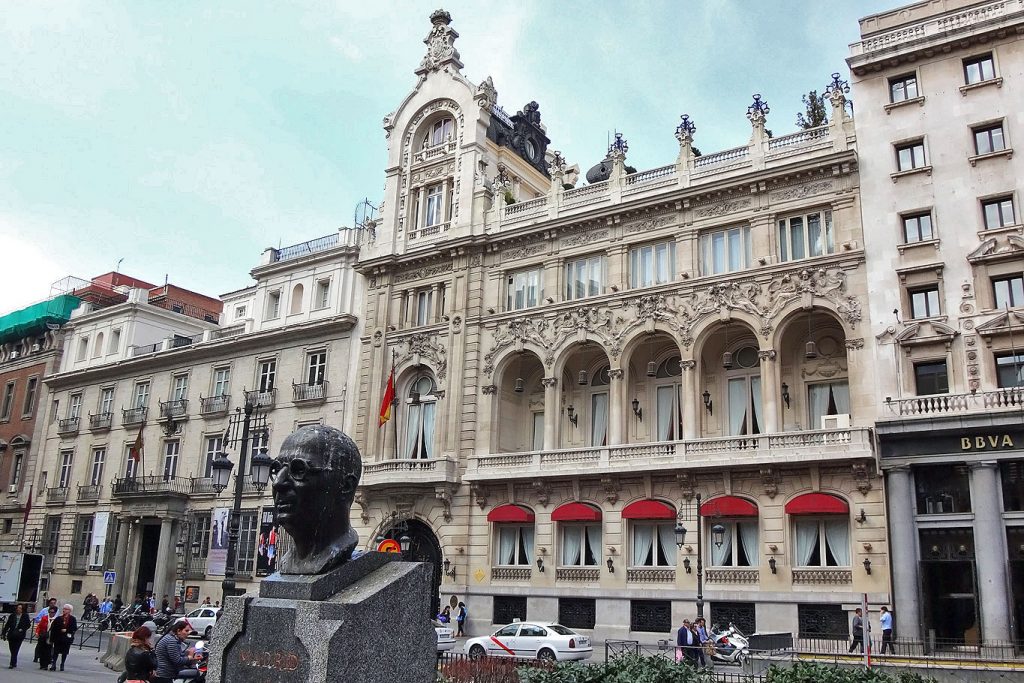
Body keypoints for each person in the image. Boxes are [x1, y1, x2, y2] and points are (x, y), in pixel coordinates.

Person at [271, 425, 361, 574]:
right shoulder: (287, 564)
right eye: (276, 469)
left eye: (299, 470)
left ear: (345, 485)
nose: (278, 482)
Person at [48, 603, 77, 671]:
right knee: (56, 651)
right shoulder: (58, 618)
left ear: (70, 610)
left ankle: (62, 664)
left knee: (64, 652)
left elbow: (74, 628)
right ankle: (54, 664)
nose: (64, 610)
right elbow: (53, 628)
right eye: (64, 609)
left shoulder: (72, 619)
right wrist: (52, 639)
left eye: (66, 609)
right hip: (58, 638)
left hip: (67, 638)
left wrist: (67, 630)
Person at [1, 604, 31, 668]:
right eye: (18, 608)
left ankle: (12, 663)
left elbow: (28, 625)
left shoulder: (25, 616)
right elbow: (7, 625)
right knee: (12, 648)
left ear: (22, 609)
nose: (19, 609)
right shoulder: (12, 616)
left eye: (20, 608)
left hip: (19, 635)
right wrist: (3, 633)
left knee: (16, 649)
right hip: (11, 634)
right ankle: (13, 660)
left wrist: (22, 629)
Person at [33, 601, 57, 669]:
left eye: (53, 612)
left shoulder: (56, 620)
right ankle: (42, 664)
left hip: (50, 637)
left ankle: (46, 664)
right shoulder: (45, 618)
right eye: (50, 612)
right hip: (43, 636)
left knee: (48, 651)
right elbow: (39, 626)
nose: (51, 614)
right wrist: (37, 633)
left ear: (55, 613)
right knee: (42, 650)